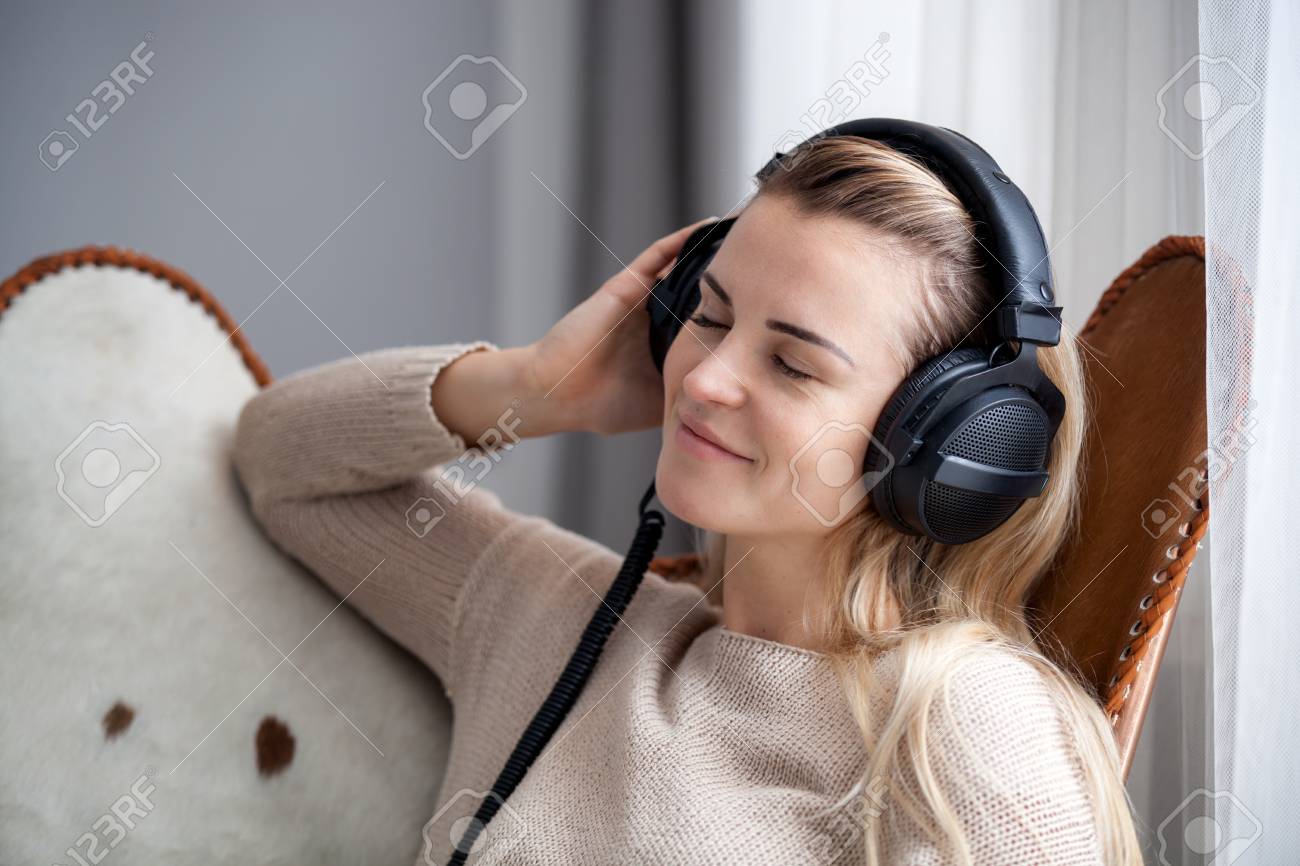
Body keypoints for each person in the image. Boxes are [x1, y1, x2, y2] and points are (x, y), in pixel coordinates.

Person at [232, 135, 1144, 865]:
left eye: (792, 362)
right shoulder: (556, 618)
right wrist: (536, 389)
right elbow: (283, 463)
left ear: (949, 444)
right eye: (705, 315)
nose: (704, 379)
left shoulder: (962, 725)